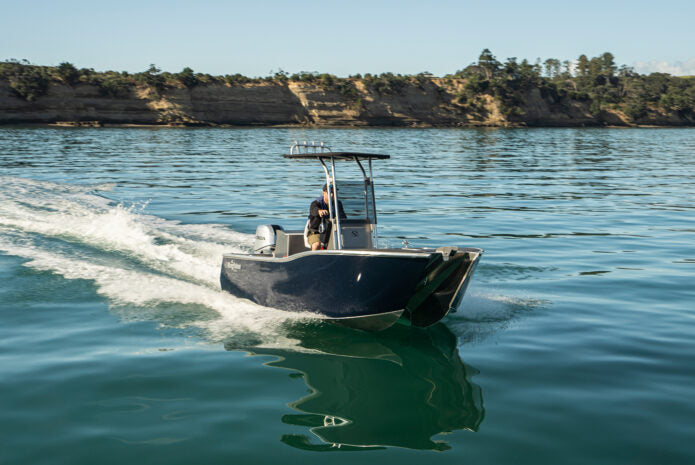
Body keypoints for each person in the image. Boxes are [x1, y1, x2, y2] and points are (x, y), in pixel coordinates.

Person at [307, 183, 345, 250]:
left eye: (334, 192)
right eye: (330, 192)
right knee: (316, 245)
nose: (332, 195)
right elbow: (314, 210)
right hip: (316, 233)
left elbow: (343, 216)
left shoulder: (338, 204)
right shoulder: (316, 203)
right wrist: (319, 211)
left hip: (333, 232)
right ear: (323, 193)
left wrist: (338, 217)